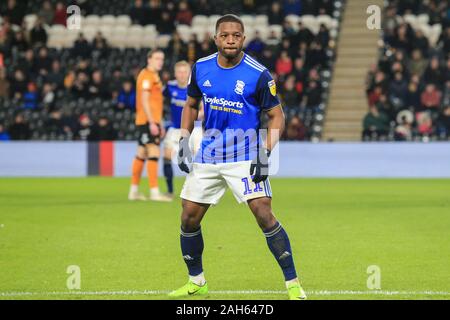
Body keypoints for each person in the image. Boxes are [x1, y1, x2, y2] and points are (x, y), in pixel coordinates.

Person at [169, 14, 307, 300]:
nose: (230, 39)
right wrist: (184, 139)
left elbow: (277, 115)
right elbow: (191, 104)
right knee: (188, 218)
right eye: (225, 35)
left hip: (245, 154)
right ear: (215, 38)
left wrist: (265, 151)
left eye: (236, 35)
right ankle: (197, 281)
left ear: (243, 38)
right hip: (208, 154)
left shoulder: (258, 74)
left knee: (264, 214)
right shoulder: (201, 67)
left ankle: (293, 285)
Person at [128, 49, 172, 202]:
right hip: (147, 121)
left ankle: (133, 191)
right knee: (153, 153)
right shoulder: (147, 76)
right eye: (157, 58)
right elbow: (145, 100)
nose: (160, 61)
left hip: (150, 120)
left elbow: (155, 103)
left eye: (162, 58)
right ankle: (154, 192)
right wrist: (153, 122)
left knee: (141, 154)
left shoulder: (154, 76)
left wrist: (160, 123)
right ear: (149, 59)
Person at [162, 60, 203, 198]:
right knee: (167, 157)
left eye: (185, 72)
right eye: (179, 72)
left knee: (199, 158)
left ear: (189, 73)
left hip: (194, 128)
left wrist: (197, 115)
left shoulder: (196, 87)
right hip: (175, 129)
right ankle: (170, 191)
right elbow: (160, 101)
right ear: (175, 73)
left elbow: (203, 109)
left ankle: (200, 192)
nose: (182, 75)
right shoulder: (169, 87)